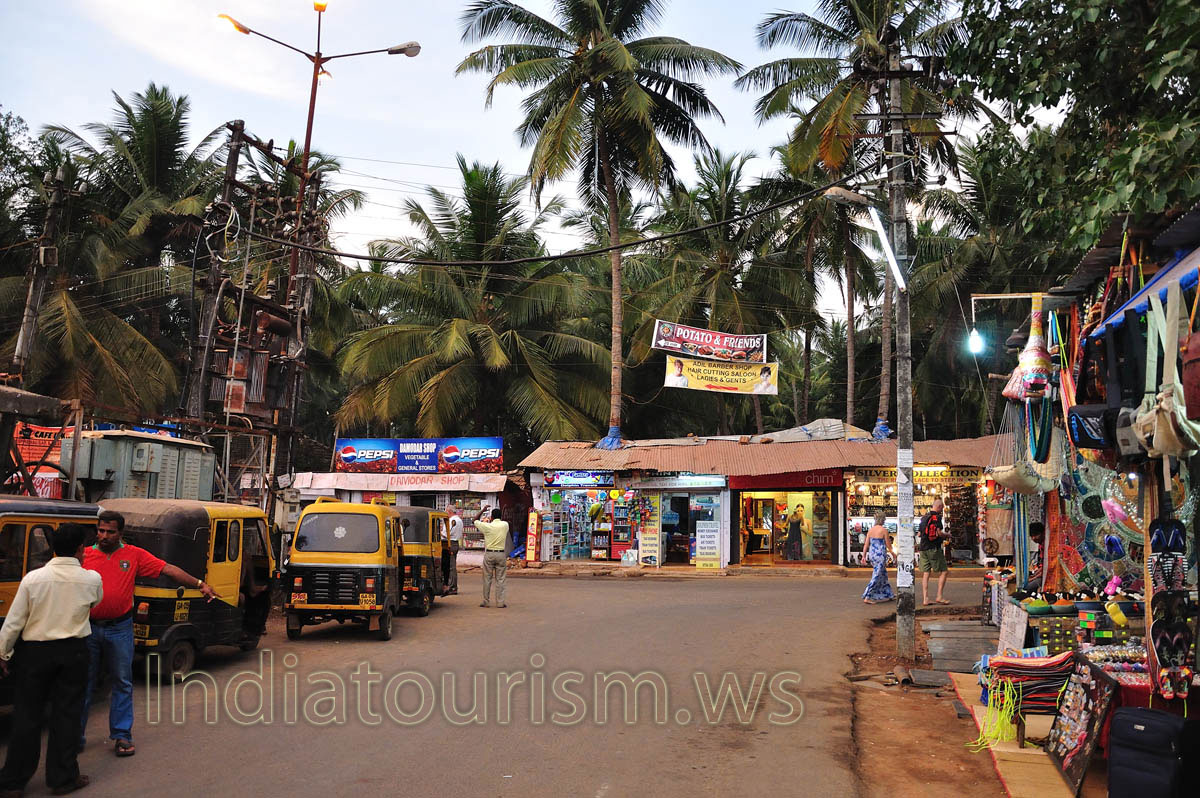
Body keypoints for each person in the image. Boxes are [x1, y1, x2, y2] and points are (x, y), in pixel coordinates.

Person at [80, 510, 219, 758]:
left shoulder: (133, 555)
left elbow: (168, 569)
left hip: (120, 628)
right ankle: (74, 736)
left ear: (120, 534)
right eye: (101, 531)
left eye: (110, 532)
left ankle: (122, 736)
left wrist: (199, 585)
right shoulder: (85, 555)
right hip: (87, 628)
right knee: (83, 683)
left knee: (122, 682)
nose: (104, 536)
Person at [0, 523, 102, 797]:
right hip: (74, 652)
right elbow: (95, 603)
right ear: (81, 549)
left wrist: (3, 653)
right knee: (67, 715)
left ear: (53, 548)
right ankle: (63, 777)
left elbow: (14, 622)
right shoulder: (92, 579)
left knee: (27, 716)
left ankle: (13, 782)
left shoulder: (33, 579)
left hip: (34, 653)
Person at [474, 504, 509, 608]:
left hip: (489, 554)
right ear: (501, 517)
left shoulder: (487, 526)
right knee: (501, 579)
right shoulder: (505, 525)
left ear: (491, 517)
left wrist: (483, 510)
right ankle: (500, 602)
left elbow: (475, 520)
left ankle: (486, 601)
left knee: (487, 579)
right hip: (501, 554)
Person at [917, 499, 950, 605]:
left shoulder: (924, 517)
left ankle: (925, 598)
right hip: (934, 548)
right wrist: (947, 535)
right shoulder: (937, 518)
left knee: (926, 573)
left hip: (923, 548)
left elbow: (919, 534)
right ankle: (939, 596)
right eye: (942, 508)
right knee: (944, 571)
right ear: (939, 507)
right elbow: (939, 533)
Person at [861, 512, 897, 604]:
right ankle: (868, 596)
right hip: (880, 554)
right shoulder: (884, 530)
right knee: (877, 575)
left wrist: (864, 556)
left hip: (872, 554)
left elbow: (866, 544)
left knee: (883, 574)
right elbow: (889, 545)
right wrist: (893, 554)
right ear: (882, 520)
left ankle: (888, 594)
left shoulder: (870, 530)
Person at [445, 506, 462, 595]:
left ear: (450, 512)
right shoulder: (459, 520)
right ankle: (451, 585)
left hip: (450, 543)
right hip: (455, 543)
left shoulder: (452, 521)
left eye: (446, 511)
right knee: (452, 566)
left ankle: (452, 587)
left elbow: (446, 533)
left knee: (451, 567)